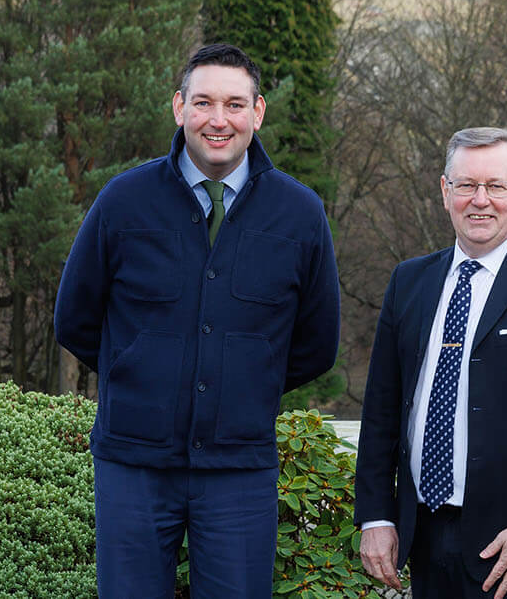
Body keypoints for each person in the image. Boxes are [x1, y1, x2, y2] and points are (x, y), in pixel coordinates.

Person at [54, 43, 341, 597]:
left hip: (240, 468)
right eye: (204, 102)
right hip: (133, 464)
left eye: (235, 104)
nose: (218, 119)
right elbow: (75, 319)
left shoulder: (300, 213)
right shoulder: (123, 200)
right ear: (178, 107)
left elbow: (316, 342)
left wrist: (245, 382)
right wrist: (141, 369)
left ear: (257, 113)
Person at [353, 127, 507, 599]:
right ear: (445, 191)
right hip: (421, 533)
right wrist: (376, 515)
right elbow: (381, 410)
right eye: (466, 185)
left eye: (496, 186)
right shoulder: (408, 282)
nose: (480, 200)